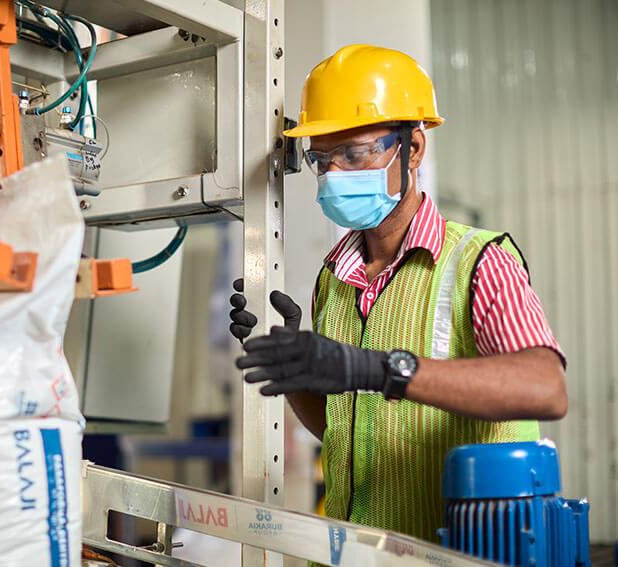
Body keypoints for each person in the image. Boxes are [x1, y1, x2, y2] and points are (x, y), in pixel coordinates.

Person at [228, 44, 567, 542]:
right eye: (322, 158)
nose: (336, 173)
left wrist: (381, 370)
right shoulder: (334, 278)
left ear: (412, 148)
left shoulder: (479, 261)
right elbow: (345, 435)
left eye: (355, 152)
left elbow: (546, 389)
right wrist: (293, 365)